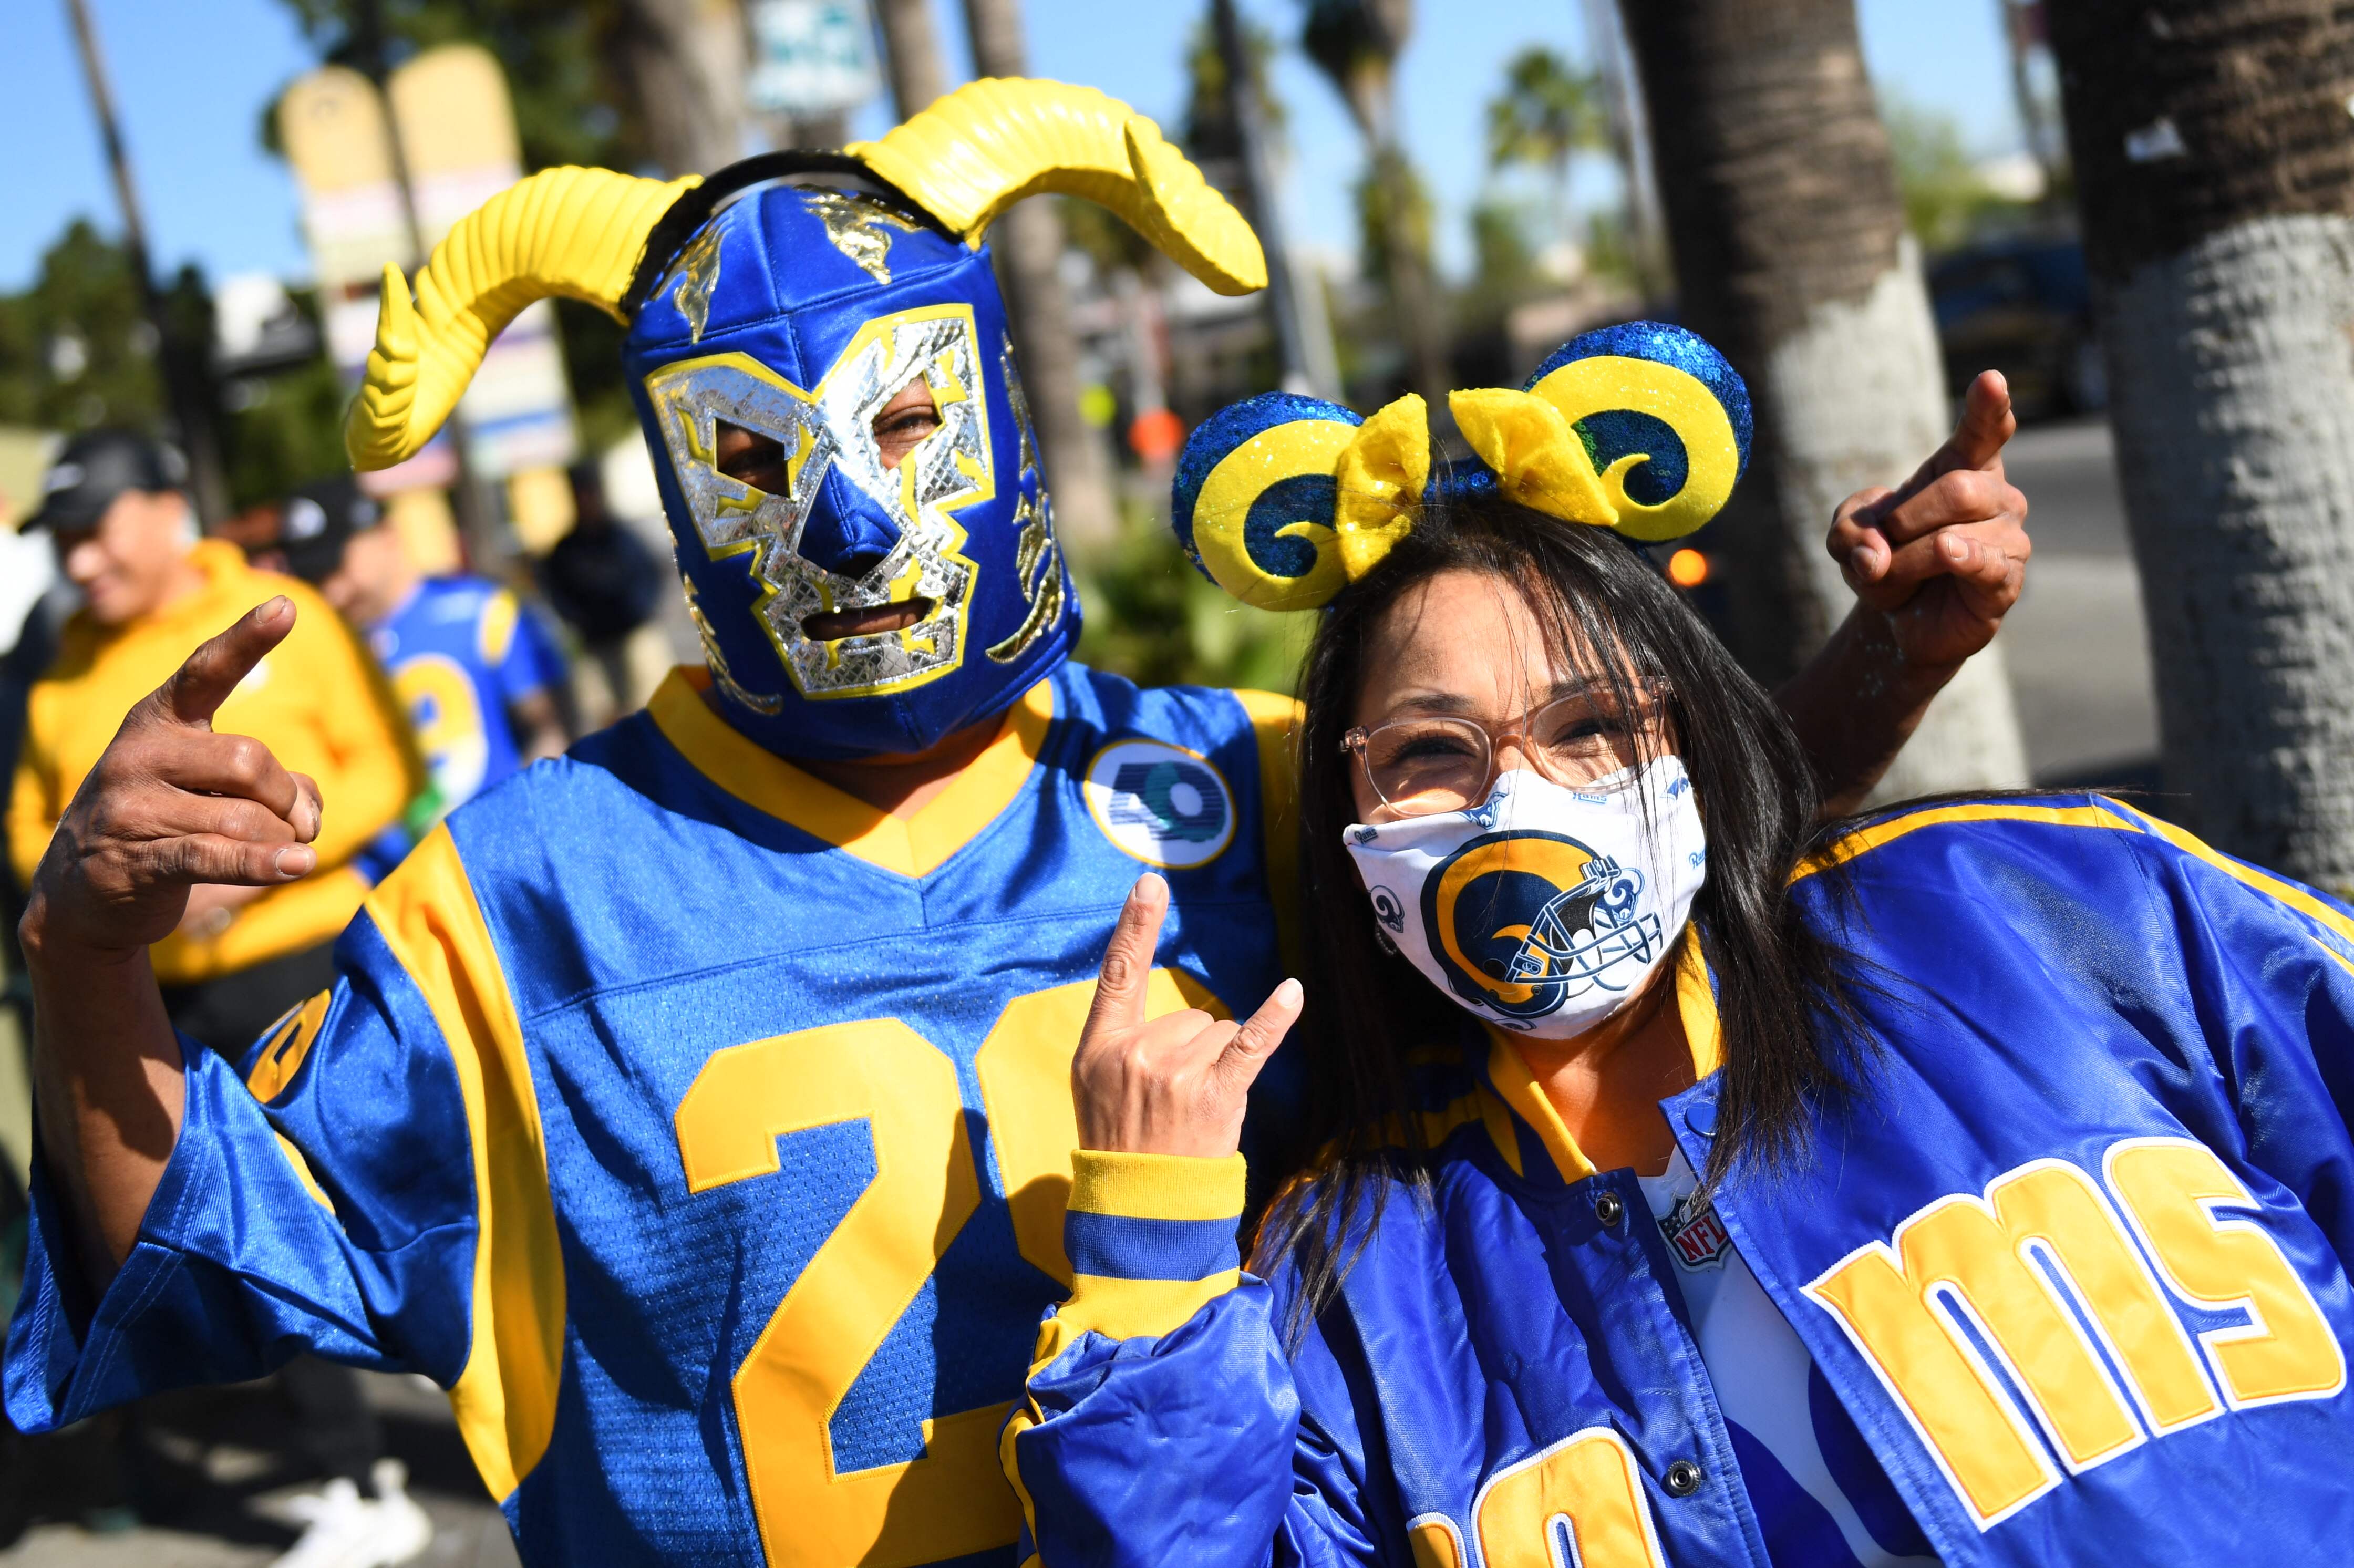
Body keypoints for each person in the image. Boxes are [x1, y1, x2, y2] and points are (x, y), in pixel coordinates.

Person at [6, 82, 2031, 1568]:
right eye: (765, 454)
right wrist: (85, 952)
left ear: (989, 405)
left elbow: (1603, 902)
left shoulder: (1239, 775)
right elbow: (199, 1266)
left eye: (905, 423)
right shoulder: (519, 892)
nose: (854, 518)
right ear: (684, 483)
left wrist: (1884, 665)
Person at [1007, 327, 2354, 1567]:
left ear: (1690, 741)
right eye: (1430, 752)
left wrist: (1878, 670)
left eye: (1591, 726)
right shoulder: (1352, 1285)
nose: (1513, 800)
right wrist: (1146, 1261)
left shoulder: (2042, 908)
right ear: (1347, 829)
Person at [4, 430, 432, 1566]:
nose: (82, 562)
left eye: (96, 529)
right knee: (233, 1235)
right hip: (167, 1002)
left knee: (395, 1212)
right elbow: (32, 830)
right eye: (63, 542)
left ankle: (457, 1442)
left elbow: (383, 767)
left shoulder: (281, 615)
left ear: (162, 506)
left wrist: (248, 866)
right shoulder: (58, 676)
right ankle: (355, 1477)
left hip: (311, 964)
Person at [280, 475, 570, 879]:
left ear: (386, 536)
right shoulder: (319, 652)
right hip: (393, 892)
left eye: (336, 568)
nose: (331, 593)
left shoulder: (484, 612)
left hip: (507, 865)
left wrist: (532, 835)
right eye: (313, 579)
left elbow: (550, 732)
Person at [538, 461, 666, 728]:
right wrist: (581, 620)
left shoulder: (623, 538)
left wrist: (639, 610)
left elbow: (651, 574)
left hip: (634, 634)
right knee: (602, 717)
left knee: (657, 705)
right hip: (594, 643)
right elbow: (557, 592)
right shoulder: (567, 550)